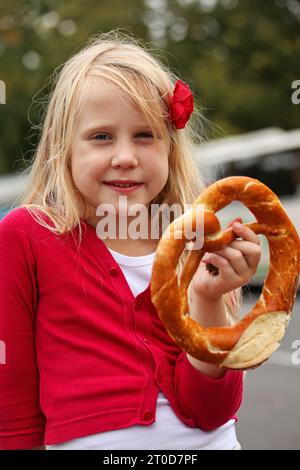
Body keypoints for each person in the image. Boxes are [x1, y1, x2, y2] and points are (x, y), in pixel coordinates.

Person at [0, 30, 261, 451]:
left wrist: (208, 300)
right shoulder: (28, 236)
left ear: (169, 149)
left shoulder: (196, 239)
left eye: (144, 135)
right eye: (102, 136)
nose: (125, 155)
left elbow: (213, 410)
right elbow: (10, 401)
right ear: (63, 147)